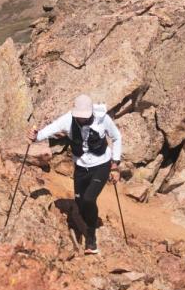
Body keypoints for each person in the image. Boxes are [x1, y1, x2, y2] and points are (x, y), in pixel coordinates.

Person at [29, 94, 122, 255]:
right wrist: (36, 136)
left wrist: (115, 163)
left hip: (101, 165)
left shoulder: (103, 119)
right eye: (79, 116)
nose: (82, 119)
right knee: (80, 202)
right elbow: (52, 128)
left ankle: (91, 237)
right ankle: (82, 223)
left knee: (89, 199)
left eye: (85, 116)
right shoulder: (68, 119)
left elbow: (116, 137)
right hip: (80, 167)